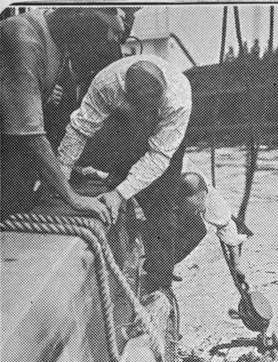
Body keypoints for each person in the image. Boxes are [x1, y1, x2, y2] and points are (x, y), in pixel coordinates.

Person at [57, 55, 246, 293]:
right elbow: (79, 129)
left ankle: (158, 280)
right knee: (90, 156)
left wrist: (120, 194)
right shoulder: (107, 85)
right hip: (121, 124)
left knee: (161, 206)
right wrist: (60, 178)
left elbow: (159, 159)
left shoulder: (177, 102)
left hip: (164, 146)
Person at [0, 7, 124, 223]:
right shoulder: (23, 38)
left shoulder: (59, 42)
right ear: (81, 30)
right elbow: (29, 133)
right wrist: (73, 198)